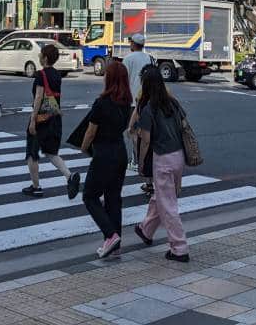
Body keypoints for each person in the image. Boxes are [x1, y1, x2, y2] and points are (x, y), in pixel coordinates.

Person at [134, 66, 191, 262]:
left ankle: (179, 248)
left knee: (168, 205)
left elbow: (147, 140)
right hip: (178, 156)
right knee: (162, 196)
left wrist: (141, 163)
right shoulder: (173, 103)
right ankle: (146, 230)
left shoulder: (149, 109)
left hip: (163, 159)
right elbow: (184, 125)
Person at [81, 57, 132, 258]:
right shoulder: (126, 102)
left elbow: (91, 131)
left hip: (103, 153)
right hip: (120, 152)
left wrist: (84, 148)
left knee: (90, 196)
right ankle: (115, 246)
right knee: (113, 199)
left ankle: (110, 235)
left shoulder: (102, 102)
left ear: (109, 79)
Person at [23, 43, 80, 199]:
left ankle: (36, 187)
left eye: (41, 54)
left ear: (45, 58)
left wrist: (33, 120)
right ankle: (69, 177)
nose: (39, 57)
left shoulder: (41, 75)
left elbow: (39, 97)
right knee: (51, 152)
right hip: (54, 118)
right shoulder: (57, 74)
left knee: (32, 153)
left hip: (41, 119)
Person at [123, 32, 153, 175]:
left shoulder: (128, 59)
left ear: (133, 44)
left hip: (133, 101)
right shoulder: (151, 58)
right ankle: (147, 160)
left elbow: (123, 80)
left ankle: (135, 160)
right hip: (150, 101)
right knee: (147, 132)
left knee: (134, 132)